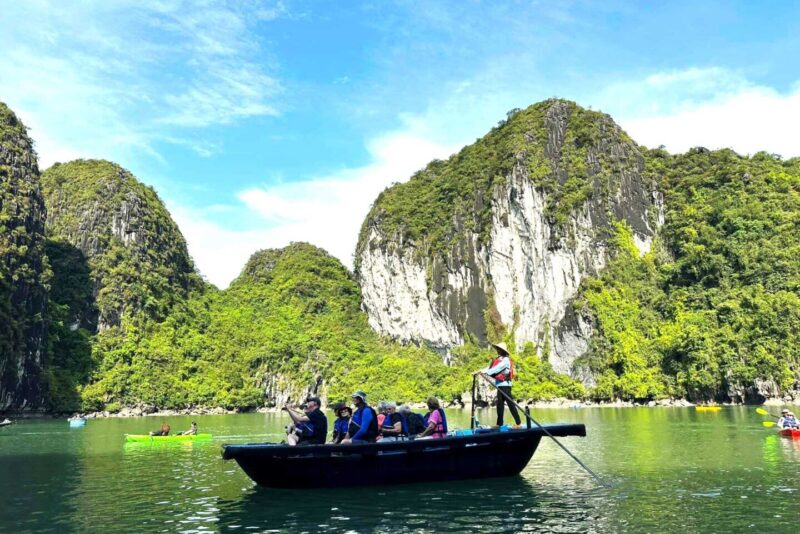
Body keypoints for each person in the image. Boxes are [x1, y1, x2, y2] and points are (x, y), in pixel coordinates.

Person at [475, 342, 521, 428]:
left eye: (499, 349)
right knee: (499, 405)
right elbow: (491, 368)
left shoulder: (506, 360)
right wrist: (479, 371)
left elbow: (497, 369)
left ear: (503, 351)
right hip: (500, 385)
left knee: (510, 404)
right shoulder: (500, 359)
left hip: (505, 385)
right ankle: (499, 424)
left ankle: (518, 423)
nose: (498, 351)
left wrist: (486, 372)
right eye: (497, 349)